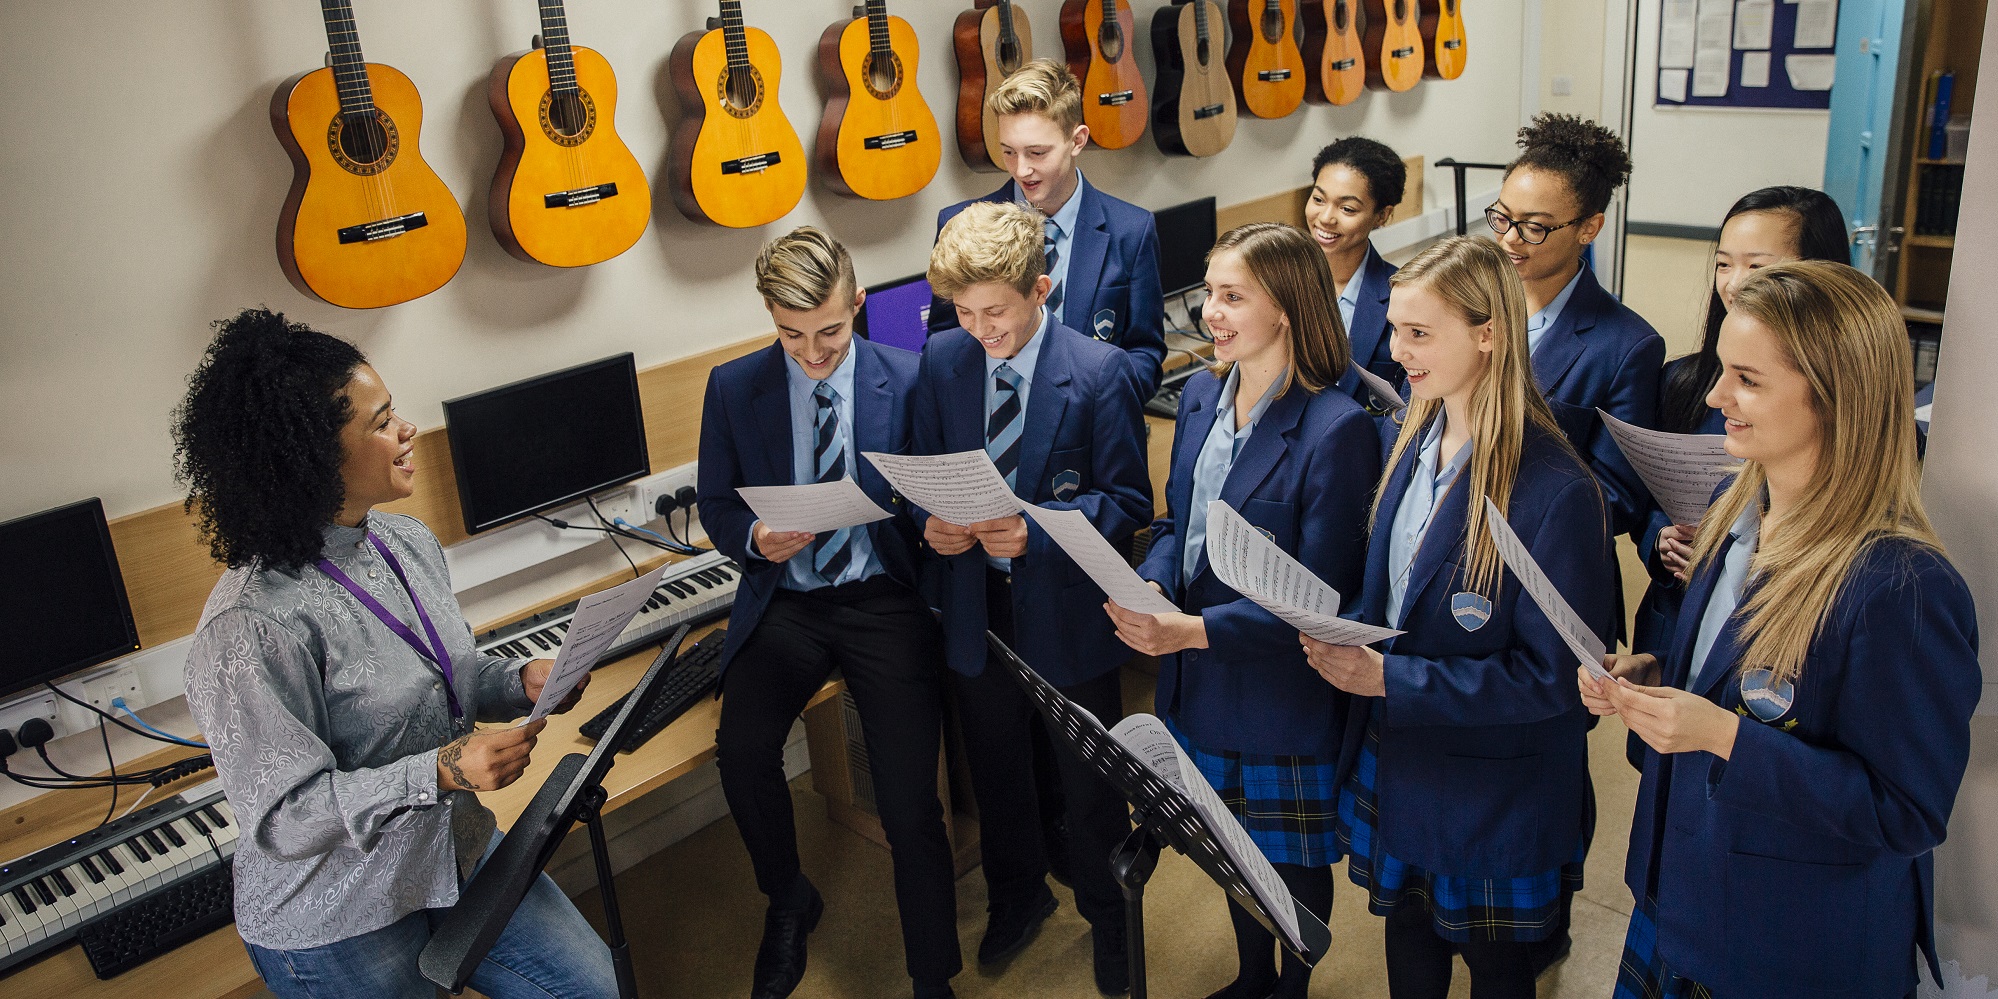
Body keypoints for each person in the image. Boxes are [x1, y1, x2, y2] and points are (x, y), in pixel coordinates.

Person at [173, 308, 612, 999]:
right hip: (341, 912)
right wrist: (440, 771)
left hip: (454, 850)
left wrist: (516, 682)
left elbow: (439, 682)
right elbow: (286, 817)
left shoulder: (405, 541)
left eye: (394, 411)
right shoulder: (250, 625)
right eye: (380, 422)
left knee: (597, 989)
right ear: (311, 456)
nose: (408, 429)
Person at [1583, 260, 1981, 999]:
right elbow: (1729, 682)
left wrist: (1725, 736)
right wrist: (1657, 682)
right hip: (1678, 897)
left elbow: (1906, 812)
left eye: (1748, 379)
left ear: (1834, 397)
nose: (1714, 396)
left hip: (1784, 947)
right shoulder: (1738, 511)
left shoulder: (1903, 587)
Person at [1304, 236, 1616, 999]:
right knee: (1408, 937)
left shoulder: (1557, 488)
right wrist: (1336, 625)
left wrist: (1393, 677)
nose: (1398, 350)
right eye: (1395, 329)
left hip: (1493, 786)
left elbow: (1561, 679)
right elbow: (1396, 593)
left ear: (1488, 334)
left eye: (1419, 333)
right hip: (1407, 754)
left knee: (1494, 969)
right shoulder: (1411, 437)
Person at [1108, 222, 1380, 999]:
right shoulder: (1199, 394)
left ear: (1287, 307)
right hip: (1197, 680)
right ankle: (1250, 976)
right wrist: (1156, 583)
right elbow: (1174, 523)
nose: (1211, 314)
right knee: (1228, 847)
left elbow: (1321, 599)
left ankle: (1289, 990)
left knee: (1286, 862)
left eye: (1233, 297)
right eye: (1209, 295)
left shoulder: (1336, 428)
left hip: (1276, 688)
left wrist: (1191, 629)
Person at [696, 228, 962, 999]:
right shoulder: (732, 386)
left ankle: (932, 976)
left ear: (859, 306)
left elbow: (925, 492)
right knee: (742, 755)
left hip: (883, 598)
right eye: (791, 335)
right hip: (790, 601)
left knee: (911, 804)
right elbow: (716, 502)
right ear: (769, 318)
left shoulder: (908, 378)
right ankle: (788, 897)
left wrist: (932, 520)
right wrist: (752, 536)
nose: (812, 353)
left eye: (830, 332)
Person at [914, 200, 1153, 995]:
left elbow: (1129, 502)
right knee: (997, 772)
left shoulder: (1097, 372)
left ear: (1042, 288)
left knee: (1087, 786)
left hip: (1066, 613)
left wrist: (1039, 533)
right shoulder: (943, 360)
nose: (982, 329)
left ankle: (1109, 918)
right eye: (965, 312)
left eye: (998, 311)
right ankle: (1017, 900)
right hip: (977, 609)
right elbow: (917, 471)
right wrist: (930, 522)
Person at [1633, 186, 1848, 656]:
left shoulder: (1850, 410)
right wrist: (1662, 542)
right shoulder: (1685, 381)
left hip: (1777, 634)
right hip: (1677, 624)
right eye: (1723, 264)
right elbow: (1649, 499)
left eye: (1758, 266)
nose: (1734, 283)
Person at [928, 59, 1167, 397]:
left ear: (1078, 140)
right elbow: (943, 346)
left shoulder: (1132, 231)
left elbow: (1145, 355)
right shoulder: (958, 224)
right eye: (1009, 152)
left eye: (1037, 152)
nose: (1022, 170)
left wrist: (1101, 407)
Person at [1490, 112, 1664, 540]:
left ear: (1589, 227)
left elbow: (1618, 498)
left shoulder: (1626, 346)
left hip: (1541, 555)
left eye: (1534, 227)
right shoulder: (1470, 301)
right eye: (1502, 217)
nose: (1510, 238)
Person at [1305, 137, 1408, 416]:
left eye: (1347, 208)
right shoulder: (1277, 282)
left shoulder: (1403, 296)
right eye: (1318, 199)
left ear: (1381, 216)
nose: (1326, 218)